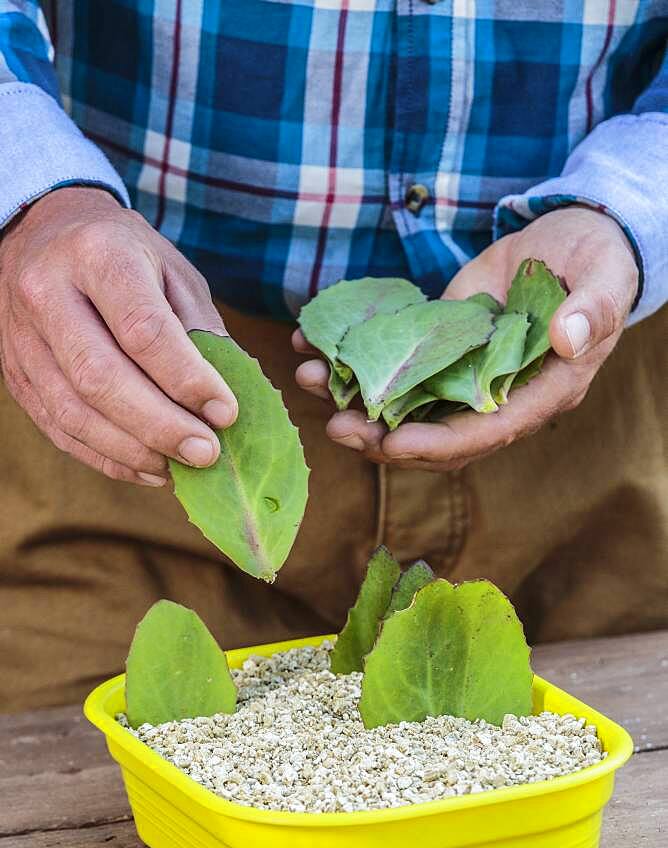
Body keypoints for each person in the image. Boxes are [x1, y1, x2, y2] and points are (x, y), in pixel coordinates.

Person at [0, 2, 666, 712]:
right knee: (85, 790)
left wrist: (630, 205)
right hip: (130, 369)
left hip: (590, 403)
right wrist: (34, 197)